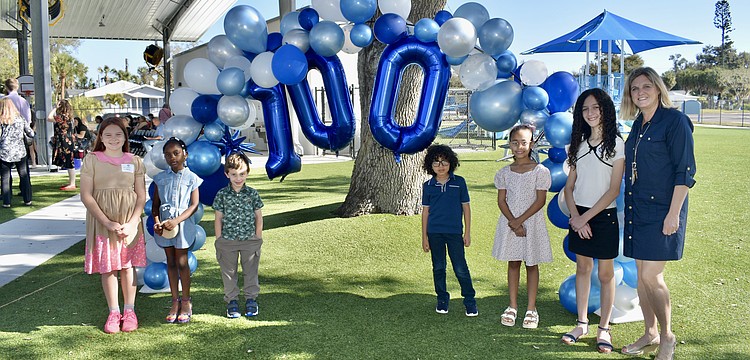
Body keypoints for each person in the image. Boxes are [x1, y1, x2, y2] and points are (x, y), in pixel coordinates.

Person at [619, 67, 696, 360]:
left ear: (658, 88)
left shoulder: (675, 121)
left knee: (652, 275)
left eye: (646, 86)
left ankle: (667, 337)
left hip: (664, 209)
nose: (640, 92)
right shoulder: (639, 125)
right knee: (641, 276)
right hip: (637, 208)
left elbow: (685, 172)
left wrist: (673, 214)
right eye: (635, 88)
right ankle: (650, 332)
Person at [560, 89, 625, 353]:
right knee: (583, 269)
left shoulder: (617, 144)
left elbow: (613, 190)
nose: (591, 113)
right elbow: (568, 187)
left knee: (606, 273)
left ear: (605, 109)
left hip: (603, 216)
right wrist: (576, 217)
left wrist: (586, 218)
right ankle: (582, 323)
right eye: (585, 109)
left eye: (596, 107)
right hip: (579, 216)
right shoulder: (578, 145)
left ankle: (604, 329)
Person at [79, 118, 147, 334]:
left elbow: (141, 196)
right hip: (102, 221)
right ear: (100, 137)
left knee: (127, 266)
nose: (113, 139)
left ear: (125, 137)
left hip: (129, 221)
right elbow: (86, 196)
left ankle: (129, 311)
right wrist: (107, 222)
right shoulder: (91, 160)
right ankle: (113, 312)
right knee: (108, 267)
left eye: (118, 134)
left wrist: (133, 222)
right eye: (107, 134)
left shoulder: (135, 161)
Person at [493, 124, 552, 329]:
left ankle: (531, 308)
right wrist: (513, 222)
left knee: (531, 263)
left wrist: (520, 221)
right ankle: (512, 306)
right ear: (509, 144)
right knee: (513, 262)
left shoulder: (540, 171)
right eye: (515, 142)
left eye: (524, 142)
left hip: (531, 224)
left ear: (532, 144)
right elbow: (502, 201)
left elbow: (540, 201)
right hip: (511, 224)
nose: (519, 147)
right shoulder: (504, 172)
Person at [421, 144, 477, 316]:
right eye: (436, 162)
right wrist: (424, 237)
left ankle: (469, 301)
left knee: (460, 268)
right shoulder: (428, 185)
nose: (440, 166)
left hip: (454, 233)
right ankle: (442, 299)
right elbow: (425, 212)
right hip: (434, 233)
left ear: (451, 163)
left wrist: (467, 232)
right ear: (430, 165)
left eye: (444, 162)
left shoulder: (459, 182)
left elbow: (466, 208)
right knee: (438, 267)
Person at [151, 137, 202, 324]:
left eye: (176, 153)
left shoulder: (192, 178)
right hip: (166, 227)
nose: (172, 157)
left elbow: (194, 205)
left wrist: (177, 221)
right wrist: (157, 222)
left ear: (185, 154)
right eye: (168, 154)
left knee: (182, 262)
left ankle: (186, 301)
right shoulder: (161, 178)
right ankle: (174, 301)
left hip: (182, 225)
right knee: (170, 262)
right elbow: (155, 206)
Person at [212, 152, 264, 318]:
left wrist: (258, 237)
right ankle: (232, 301)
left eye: (242, 174)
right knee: (229, 272)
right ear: (227, 174)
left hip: (250, 241)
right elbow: (218, 218)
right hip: (227, 241)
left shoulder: (252, 194)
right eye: (234, 174)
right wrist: (219, 239)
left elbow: (258, 216)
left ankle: (251, 299)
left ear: (247, 173)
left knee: (250, 271)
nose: (238, 178)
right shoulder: (222, 194)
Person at [0, 98, 34, 207]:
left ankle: (7, 201)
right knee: (24, 175)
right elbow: (30, 133)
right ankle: (27, 199)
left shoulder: (1, 120)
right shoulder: (20, 119)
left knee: (5, 177)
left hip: (4, 151)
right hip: (19, 150)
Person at [47, 99, 77, 190]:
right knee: (69, 162)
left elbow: (49, 118)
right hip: (67, 141)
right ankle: (71, 182)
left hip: (64, 142)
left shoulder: (61, 117)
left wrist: (54, 109)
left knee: (69, 162)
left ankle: (72, 184)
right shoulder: (68, 118)